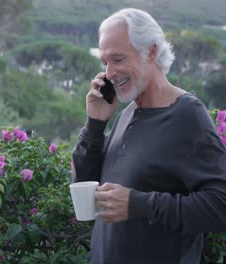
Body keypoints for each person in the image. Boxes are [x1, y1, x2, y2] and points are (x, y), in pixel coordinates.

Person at [72, 8, 226, 264]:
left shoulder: (187, 115)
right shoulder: (126, 115)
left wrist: (138, 204)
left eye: (118, 59)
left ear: (151, 51)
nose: (109, 73)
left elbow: (221, 206)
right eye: (105, 62)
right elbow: (87, 188)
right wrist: (95, 124)